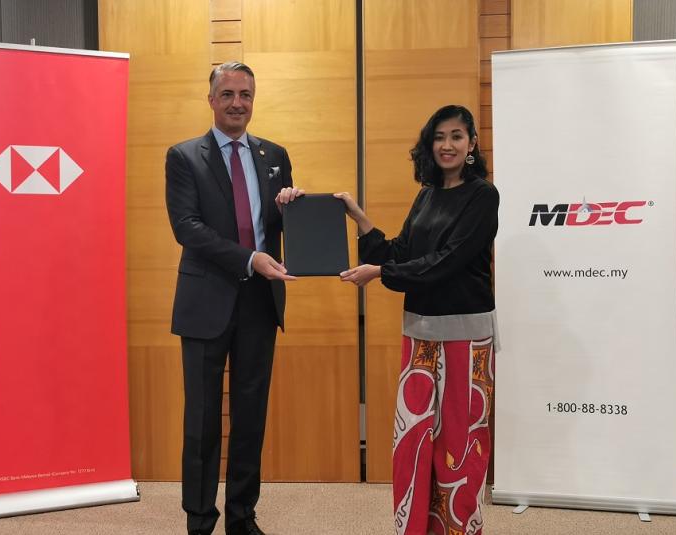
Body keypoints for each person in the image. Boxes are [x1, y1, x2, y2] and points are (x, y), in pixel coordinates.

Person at [335, 104, 499, 535]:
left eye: (457, 136)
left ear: (471, 145)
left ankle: (460, 528)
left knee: (459, 449)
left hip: (466, 339)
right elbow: (401, 253)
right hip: (420, 334)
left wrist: (382, 274)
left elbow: (446, 263)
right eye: (439, 137)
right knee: (414, 445)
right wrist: (358, 216)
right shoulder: (426, 194)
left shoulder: (483, 195)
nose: (447, 145)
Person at [165, 61, 303, 535]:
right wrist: (249, 260)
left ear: (253, 99)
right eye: (227, 94)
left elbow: (277, 229)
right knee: (202, 421)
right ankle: (200, 522)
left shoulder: (275, 155)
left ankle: (242, 518)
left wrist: (292, 210)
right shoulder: (184, 156)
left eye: (245, 94)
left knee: (249, 419)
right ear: (211, 100)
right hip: (206, 303)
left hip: (260, 304)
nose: (237, 103)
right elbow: (188, 228)